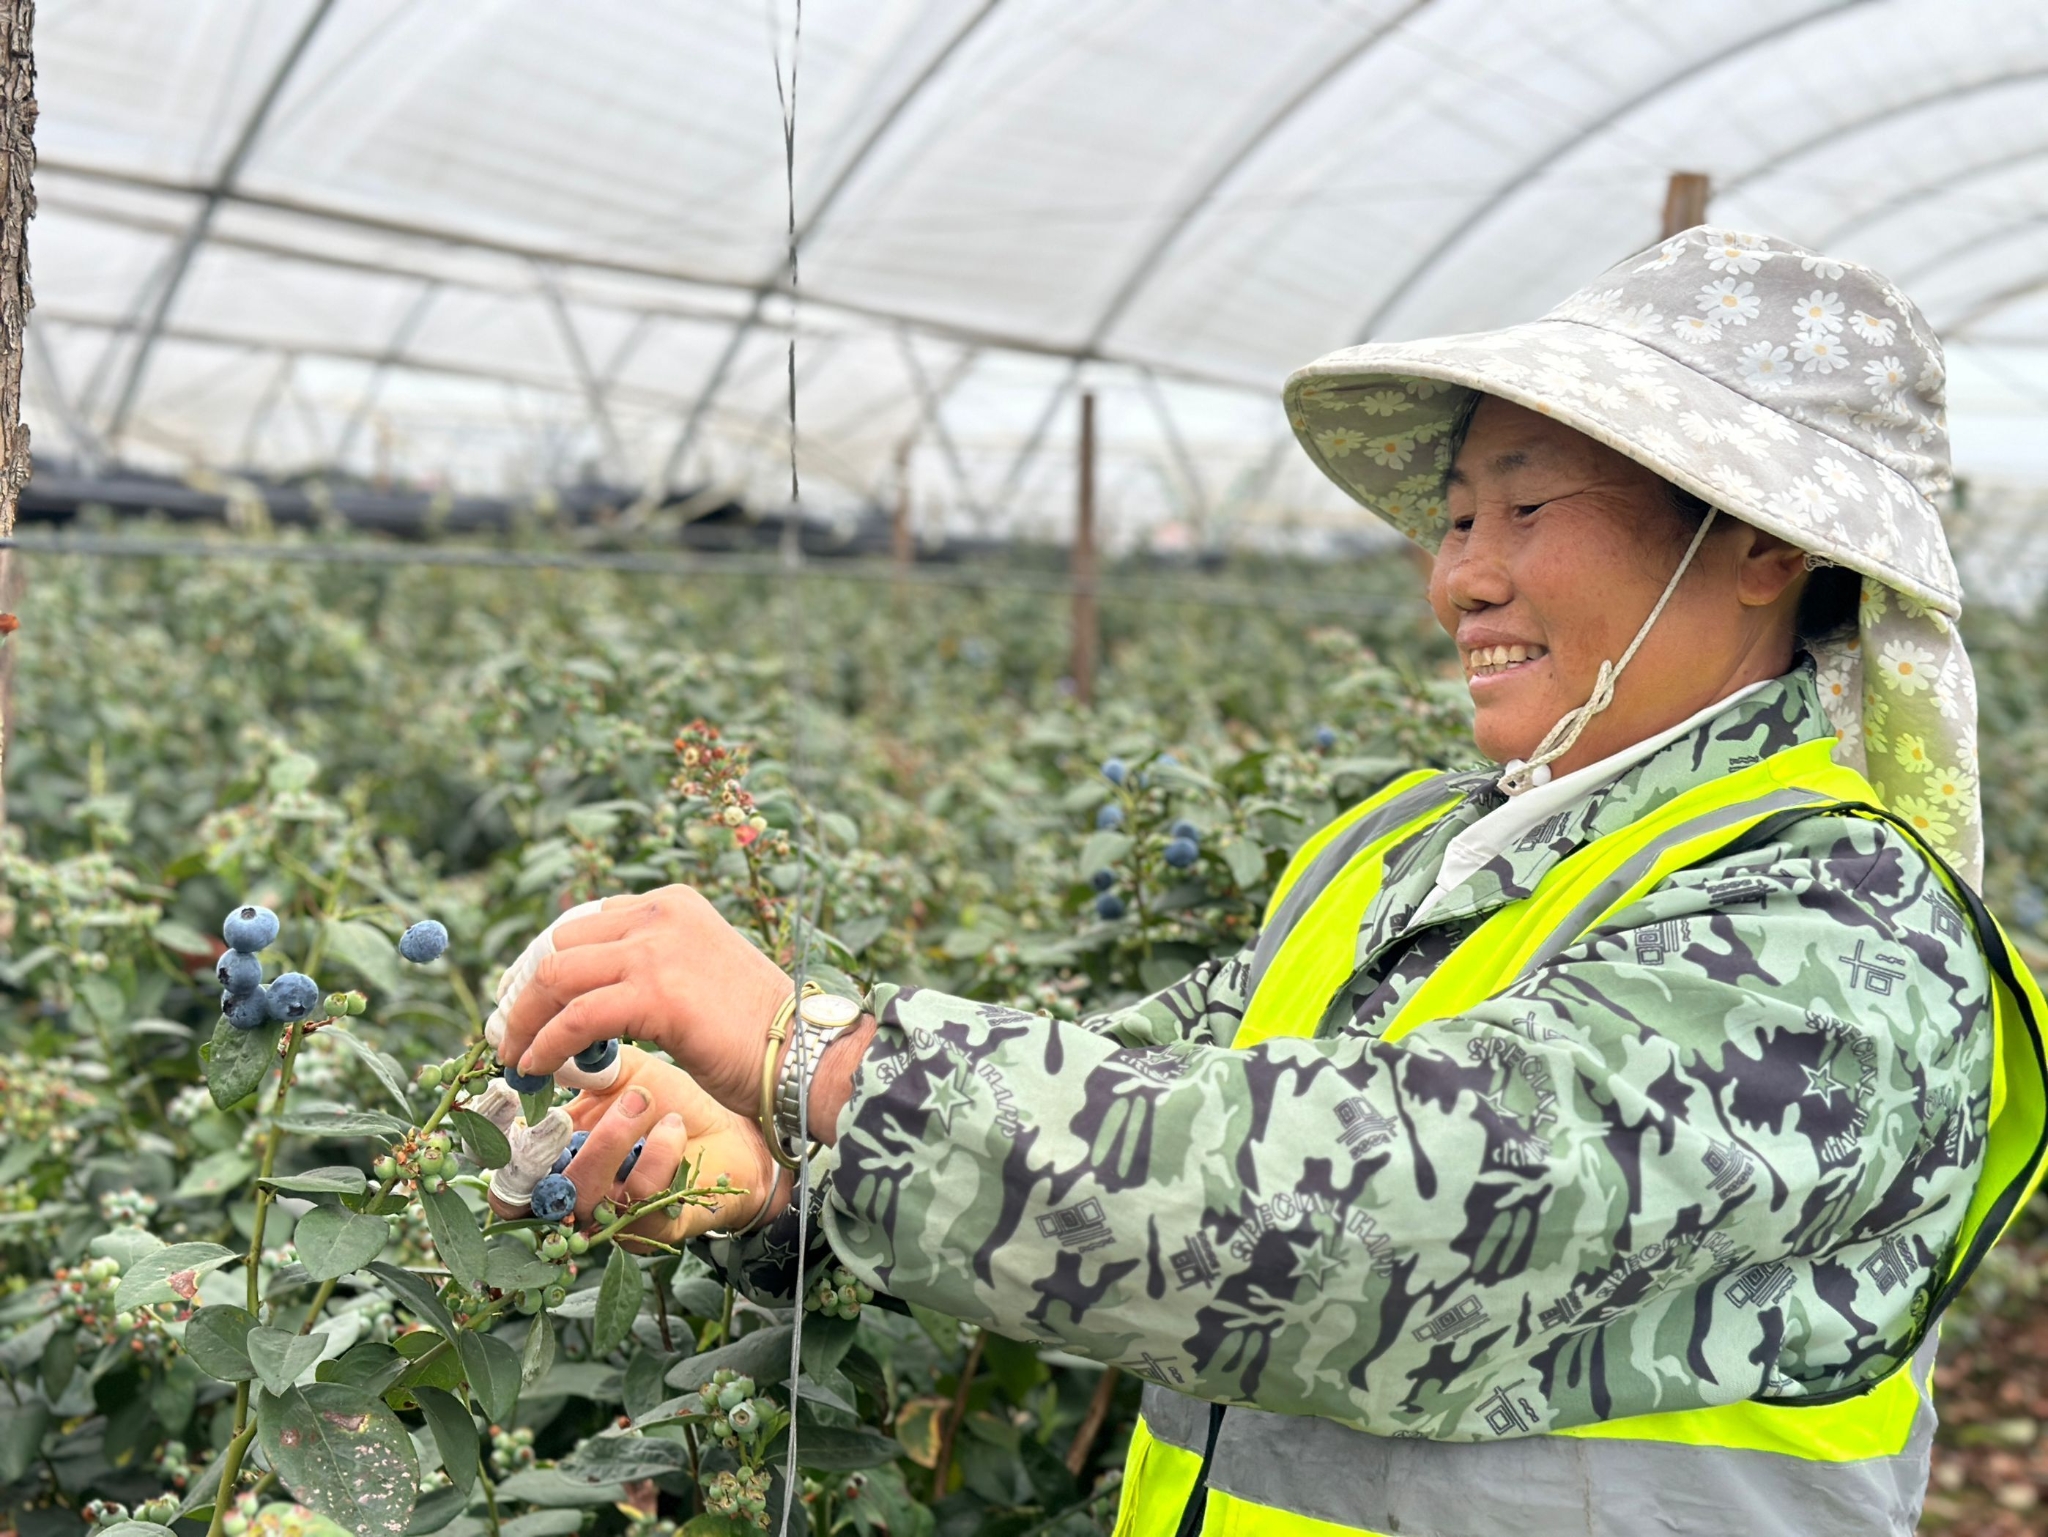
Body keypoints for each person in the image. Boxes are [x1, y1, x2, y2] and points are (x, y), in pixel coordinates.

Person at [486, 227, 2048, 1537]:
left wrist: (807, 1045)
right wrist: (778, 1176)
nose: (1462, 577)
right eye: (1452, 518)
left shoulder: (1838, 932)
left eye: (1525, 509)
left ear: (1763, 543)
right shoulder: (1408, 858)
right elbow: (1137, 1107)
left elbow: (1370, 1214)